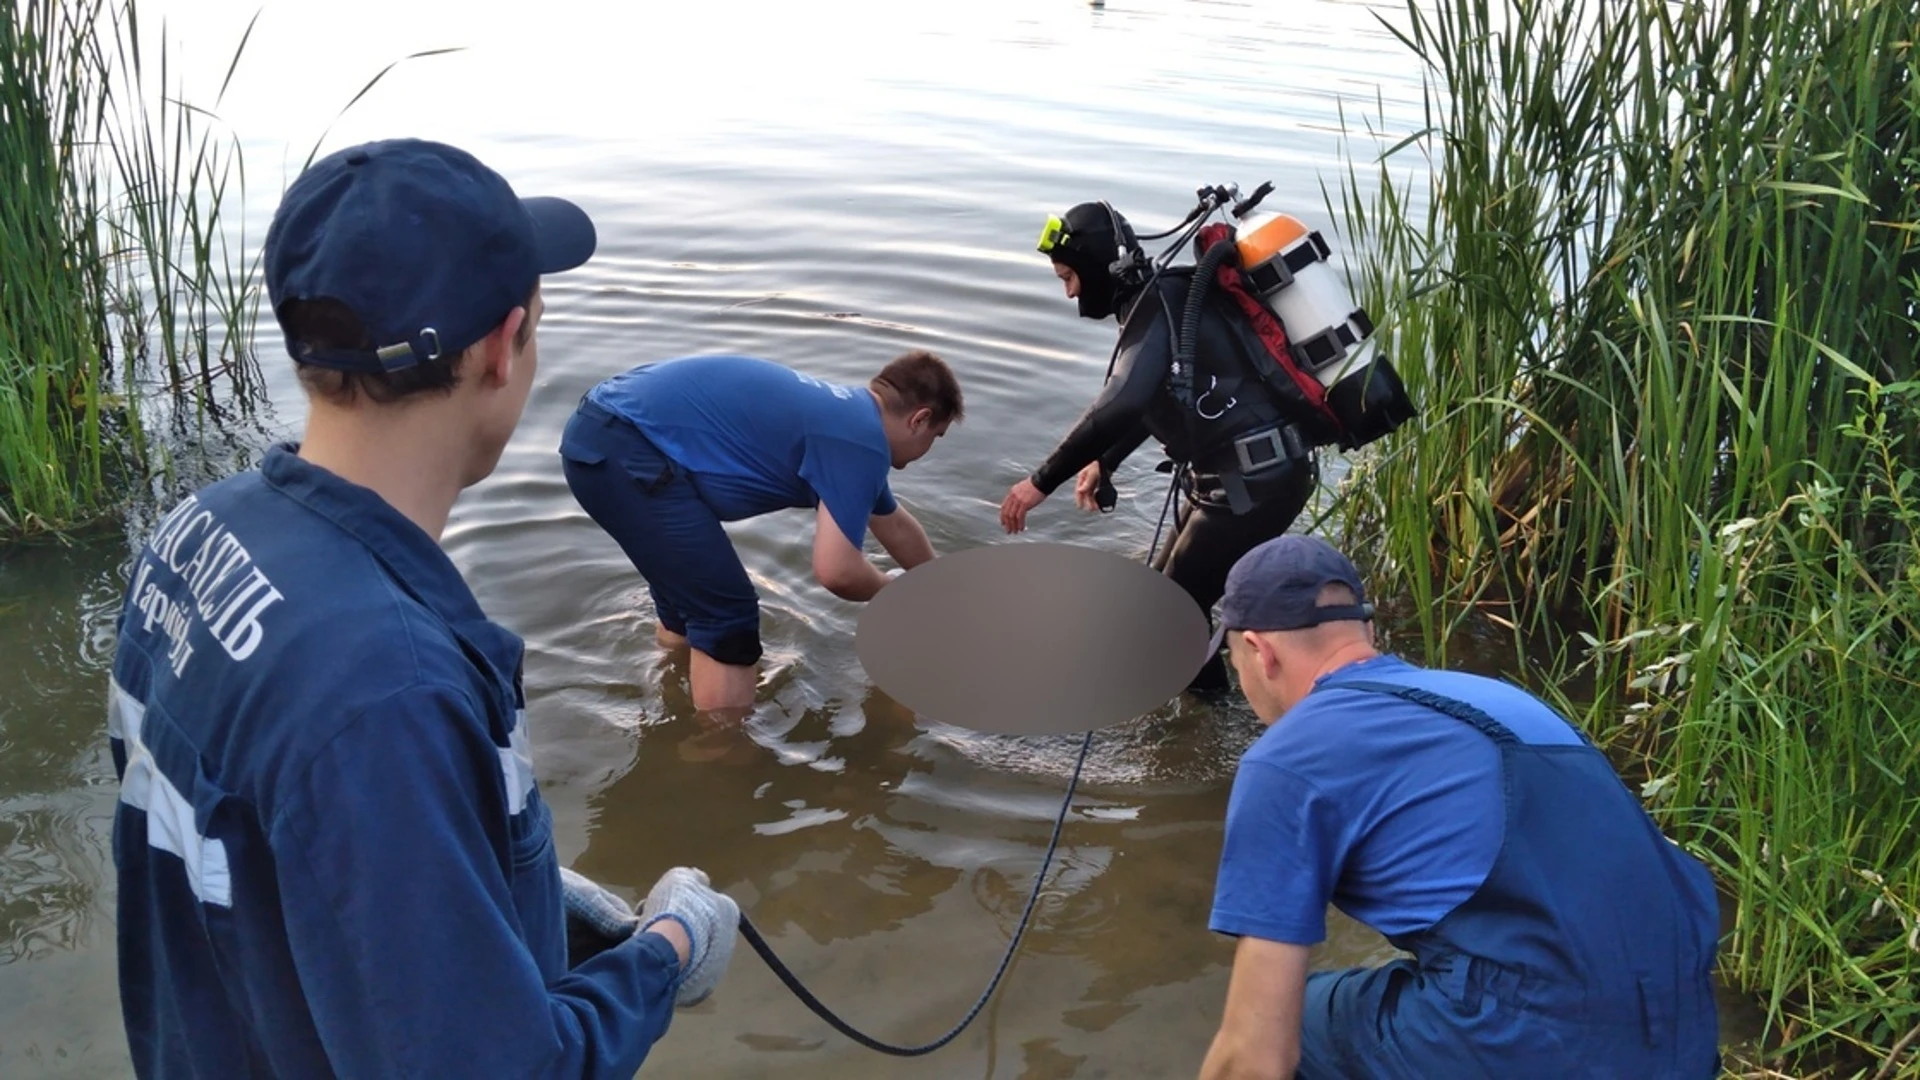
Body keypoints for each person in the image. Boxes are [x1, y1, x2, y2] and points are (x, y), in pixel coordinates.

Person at [106, 137, 739, 1079]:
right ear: (501, 349)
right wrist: (665, 953)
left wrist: (489, 889)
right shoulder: (385, 689)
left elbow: (256, 859)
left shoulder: (197, 531)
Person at [1196, 534, 1723, 1079]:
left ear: (1259, 652)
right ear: (1368, 632)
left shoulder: (1287, 756)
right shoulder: (1492, 697)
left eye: (1236, 666)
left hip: (1543, 1040)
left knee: (1294, 1018)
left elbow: (1256, 1057)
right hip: (1684, 1027)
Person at [998, 200, 1326, 694]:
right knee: (1163, 605)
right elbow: (1164, 396)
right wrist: (1104, 460)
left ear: (1095, 266)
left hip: (1254, 481)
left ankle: (1210, 725)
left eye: (1069, 277)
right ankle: (1196, 718)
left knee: (1172, 616)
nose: (1069, 293)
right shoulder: (1164, 302)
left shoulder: (1160, 305)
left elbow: (1123, 400)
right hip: (1247, 475)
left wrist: (1038, 483)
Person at [560, 351, 962, 713]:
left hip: (601, 432)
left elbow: (893, 523)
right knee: (727, 615)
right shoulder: (860, 442)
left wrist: (941, 586)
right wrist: (895, 594)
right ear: (920, 419)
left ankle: (676, 694)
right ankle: (721, 761)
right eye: (935, 438)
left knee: (689, 601)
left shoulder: (846, 421)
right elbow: (836, 571)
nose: (929, 449)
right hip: (627, 447)